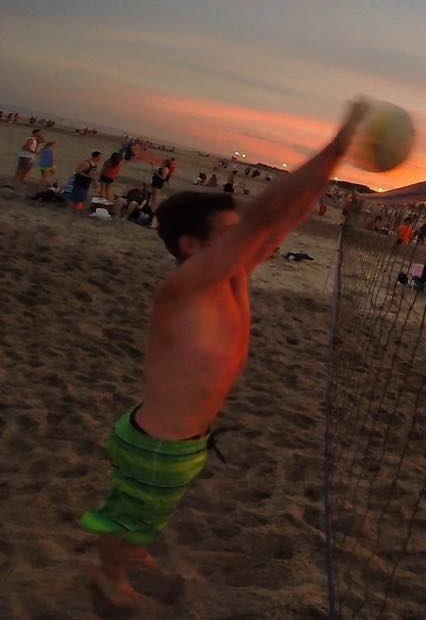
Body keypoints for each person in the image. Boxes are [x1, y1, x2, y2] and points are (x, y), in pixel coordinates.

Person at [78, 100, 372, 608]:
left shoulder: (233, 274)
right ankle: (108, 574)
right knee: (126, 519)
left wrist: (328, 174)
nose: (245, 241)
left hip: (182, 445)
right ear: (191, 246)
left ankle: (130, 549)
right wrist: (337, 147)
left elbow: (281, 221)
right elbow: (266, 215)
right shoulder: (184, 290)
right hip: (158, 447)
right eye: (230, 235)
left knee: (143, 513)